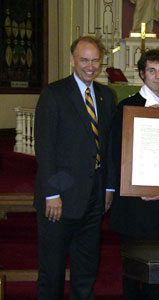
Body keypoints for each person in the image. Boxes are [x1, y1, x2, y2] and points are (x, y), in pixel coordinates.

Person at [34, 36, 116, 299]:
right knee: (53, 272)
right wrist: (52, 193)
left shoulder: (105, 96)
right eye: (84, 59)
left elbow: (109, 147)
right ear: (72, 60)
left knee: (86, 270)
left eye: (95, 60)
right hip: (59, 200)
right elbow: (45, 147)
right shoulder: (54, 94)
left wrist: (109, 188)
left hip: (93, 199)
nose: (90, 66)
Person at [108, 49, 159, 300]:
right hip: (135, 202)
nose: (157, 76)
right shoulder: (126, 107)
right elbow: (116, 152)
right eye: (152, 70)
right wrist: (139, 188)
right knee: (133, 265)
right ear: (142, 73)